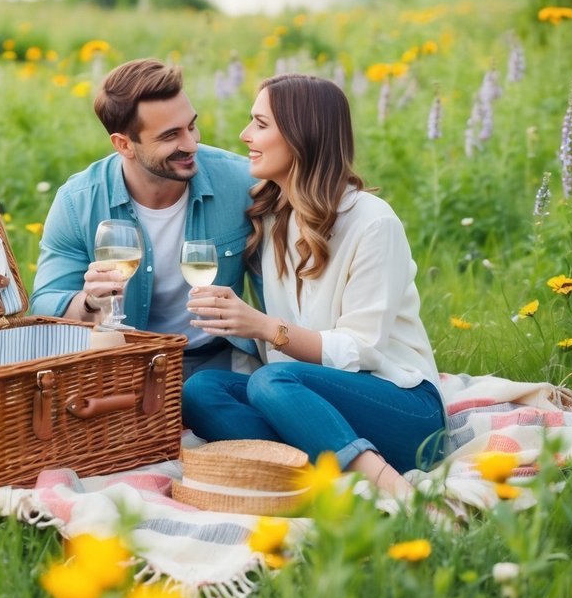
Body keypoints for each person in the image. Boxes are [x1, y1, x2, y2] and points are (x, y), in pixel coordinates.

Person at [182, 72, 449, 503]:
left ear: (302, 136)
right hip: (311, 404)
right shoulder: (272, 218)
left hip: (407, 413)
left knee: (273, 380)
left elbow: (362, 350)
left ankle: (392, 489)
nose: (245, 134)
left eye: (261, 124)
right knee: (201, 390)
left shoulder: (373, 222)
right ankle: (306, 479)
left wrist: (266, 328)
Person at [31, 58, 260, 377]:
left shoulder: (241, 183)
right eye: (170, 136)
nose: (191, 143)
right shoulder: (78, 202)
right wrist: (89, 302)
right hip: (125, 366)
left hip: (218, 362)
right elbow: (44, 305)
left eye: (191, 125)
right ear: (124, 144)